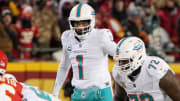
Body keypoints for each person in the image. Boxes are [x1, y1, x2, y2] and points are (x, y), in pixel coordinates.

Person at [52, 3, 116, 101]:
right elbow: (64, 66)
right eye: (77, 23)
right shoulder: (67, 37)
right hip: (78, 91)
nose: (80, 27)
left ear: (92, 21)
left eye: (84, 23)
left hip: (100, 91)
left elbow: (120, 55)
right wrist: (55, 93)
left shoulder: (101, 36)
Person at [112, 37, 180, 101]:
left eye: (125, 60)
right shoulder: (118, 73)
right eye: (119, 60)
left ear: (137, 57)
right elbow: (119, 98)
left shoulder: (155, 69)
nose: (121, 65)